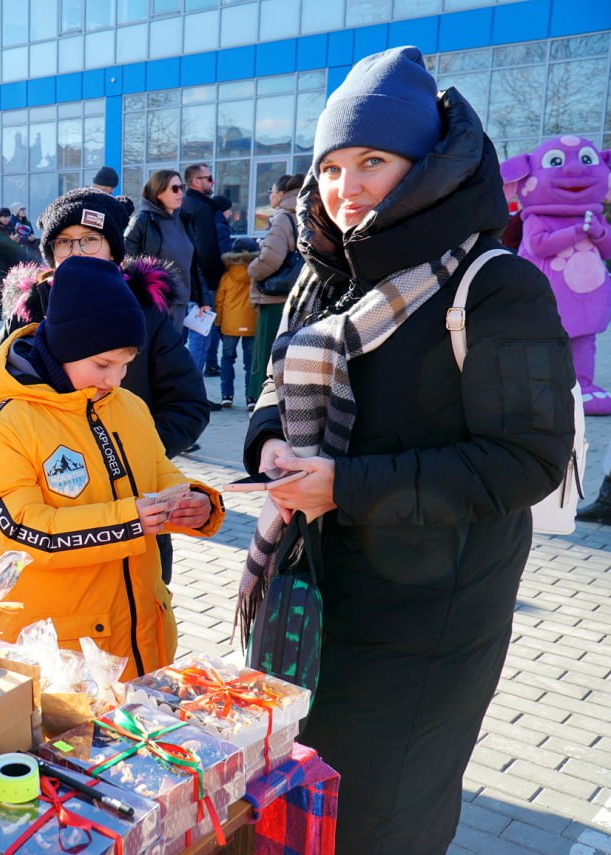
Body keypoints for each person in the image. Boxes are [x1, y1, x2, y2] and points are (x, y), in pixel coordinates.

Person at [239, 46, 575, 853]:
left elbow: (525, 460)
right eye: (330, 167)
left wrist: (345, 488)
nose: (345, 189)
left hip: (431, 622)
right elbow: (272, 392)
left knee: (384, 814)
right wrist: (269, 442)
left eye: (373, 162)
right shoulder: (324, 276)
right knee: (296, 796)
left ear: (428, 164)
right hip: (316, 592)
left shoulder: (495, 287)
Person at [0, 255, 224, 679]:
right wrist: (128, 522)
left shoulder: (130, 407)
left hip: (143, 634)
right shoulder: (8, 423)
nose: (115, 379)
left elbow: (160, 472)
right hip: (63, 650)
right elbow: (19, 528)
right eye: (103, 365)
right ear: (63, 349)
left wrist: (194, 503)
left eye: (126, 364)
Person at [0, 186, 212, 581]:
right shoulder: (31, 310)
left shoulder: (142, 312)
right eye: (64, 243)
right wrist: (25, 451)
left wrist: (124, 455)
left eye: (90, 239)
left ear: (113, 249)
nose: (77, 252)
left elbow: (189, 404)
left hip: (137, 513)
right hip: (54, 527)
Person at [125, 170, 217, 407]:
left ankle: (164, 419)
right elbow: (126, 262)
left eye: (182, 188)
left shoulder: (183, 219)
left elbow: (193, 263)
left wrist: (203, 297)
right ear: (158, 192)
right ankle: (145, 417)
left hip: (180, 306)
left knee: (169, 363)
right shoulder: (144, 219)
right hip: (154, 306)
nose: (180, 193)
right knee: (154, 363)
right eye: (174, 189)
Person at [246, 173, 304, 405]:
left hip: (275, 295)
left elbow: (271, 257)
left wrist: (252, 269)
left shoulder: (283, 218)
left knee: (267, 351)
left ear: (281, 194)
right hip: (299, 293)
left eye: (271, 191)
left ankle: (263, 401)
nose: (270, 196)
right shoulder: (310, 212)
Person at [181, 164, 228, 377]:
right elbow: (206, 250)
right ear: (196, 181)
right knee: (200, 339)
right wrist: (216, 279)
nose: (213, 182)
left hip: (184, 282)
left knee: (181, 340)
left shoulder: (186, 205)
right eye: (209, 178)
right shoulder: (201, 209)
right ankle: (193, 394)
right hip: (202, 284)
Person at [214, 236, 259, 410]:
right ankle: (251, 397)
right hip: (251, 321)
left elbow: (219, 300)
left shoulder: (227, 275)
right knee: (250, 363)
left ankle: (227, 396)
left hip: (230, 324)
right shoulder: (258, 273)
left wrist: (218, 322)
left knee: (227, 359)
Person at [0, 206, 23, 320]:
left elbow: (13, 244)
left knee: (11, 287)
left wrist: (17, 241)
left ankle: (11, 310)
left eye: (8, 216)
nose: (6, 219)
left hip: (11, 262)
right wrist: (10, 240)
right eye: (4, 216)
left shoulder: (11, 227)